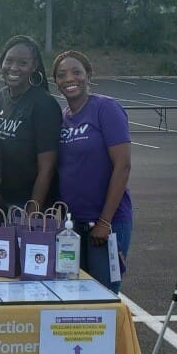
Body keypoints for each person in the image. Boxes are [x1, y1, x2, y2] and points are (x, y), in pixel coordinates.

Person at [53, 50, 132, 292]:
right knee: (73, 293)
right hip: (71, 227)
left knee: (103, 296)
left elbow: (123, 165)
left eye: (76, 72)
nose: (69, 79)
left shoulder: (105, 108)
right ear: (56, 82)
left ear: (88, 75)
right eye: (61, 75)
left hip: (106, 224)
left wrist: (105, 221)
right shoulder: (63, 118)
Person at [0, 35, 62, 211]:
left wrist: (32, 212)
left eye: (22, 63)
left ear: (34, 66)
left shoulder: (44, 104)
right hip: (2, 201)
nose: (14, 68)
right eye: (9, 61)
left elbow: (47, 168)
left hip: (28, 204)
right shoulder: (3, 96)